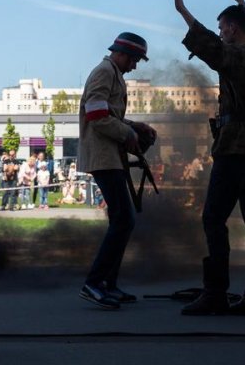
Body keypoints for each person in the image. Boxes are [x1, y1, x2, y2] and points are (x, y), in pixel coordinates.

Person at [171, 0, 245, 318]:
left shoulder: (240, 55)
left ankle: (215, 293)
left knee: (214, 217)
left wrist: (184, 12)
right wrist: (243, 3)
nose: (221, 32)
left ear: (231, 29)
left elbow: (216, 51)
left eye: (223, 27)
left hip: (235, 143)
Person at [77, 31, 156, 310]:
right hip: (103, 157)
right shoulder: (104, 72)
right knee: (124, 220)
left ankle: (108, 284)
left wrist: (133, 126)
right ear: (122, 54)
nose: (135, 66)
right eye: (134, 59)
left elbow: (107, 113)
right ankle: (94, 283)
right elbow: (96, 116)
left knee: (123, 220)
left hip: (110, 156)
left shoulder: (112, 73)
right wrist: (128, 134)